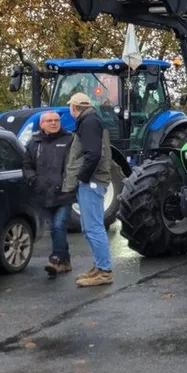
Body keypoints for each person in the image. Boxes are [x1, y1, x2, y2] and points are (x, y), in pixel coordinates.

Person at [63, 93, 114, 287]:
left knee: (94, 228)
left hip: (92, 181)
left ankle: (105, 271)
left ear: (74, 108)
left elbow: (93, 154)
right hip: (93, 180)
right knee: (89, 227)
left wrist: (82, 178)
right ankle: (99, 266)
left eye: (70, 107)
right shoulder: (90, 120)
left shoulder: (89, 122)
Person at [22, 111, 76, 276]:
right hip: (42, 194)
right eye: (50, 121)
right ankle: (65, 260)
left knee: (59, 226)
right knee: (54, 228)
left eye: (56, 120)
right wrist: (32, 179)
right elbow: (27, 165)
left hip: (63, 194)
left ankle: (55, 258)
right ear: (42, 124)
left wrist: (67, 183)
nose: (54, 123)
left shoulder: (69, 140)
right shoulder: (34, 143)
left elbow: (74, 163)